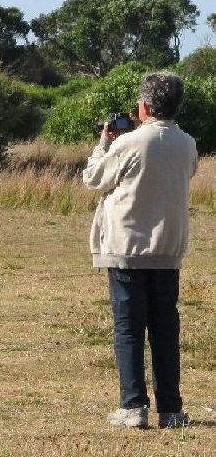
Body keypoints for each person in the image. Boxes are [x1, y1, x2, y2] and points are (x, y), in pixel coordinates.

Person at [81, 71, 198, 429]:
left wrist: (104, 143)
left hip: (127, 247)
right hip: (167, 249)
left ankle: (133, 405)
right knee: (165, 327)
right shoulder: (188, 143)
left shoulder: (129, 142)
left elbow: (93, 179)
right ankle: (171, 408)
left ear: (144, 105)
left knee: (129, 327)